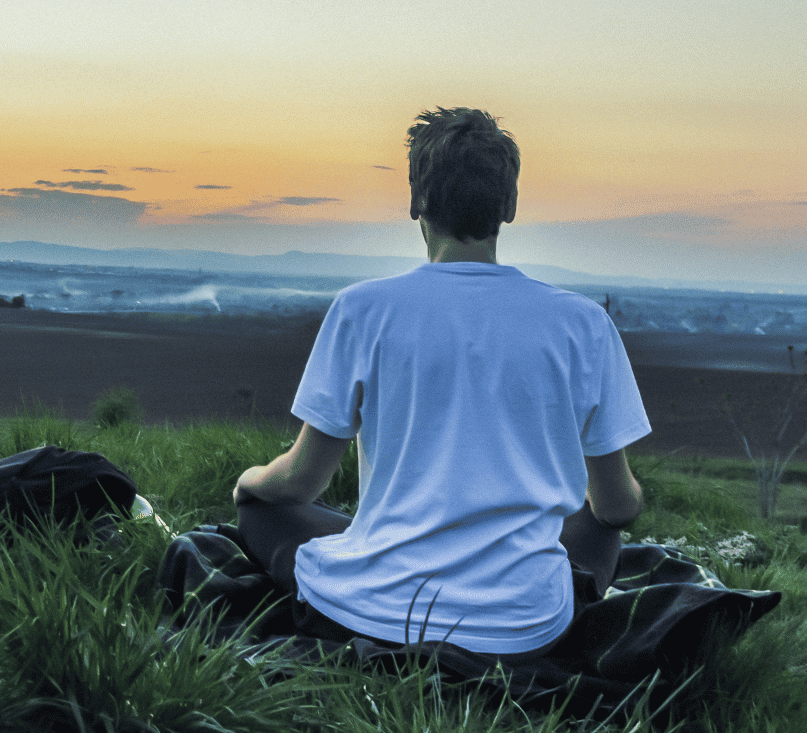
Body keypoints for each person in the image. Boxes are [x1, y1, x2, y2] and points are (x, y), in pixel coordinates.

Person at [232, 107, 651, 663]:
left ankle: (378, 556)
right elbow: (619, 507)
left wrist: (249, 481)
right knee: (597, 524)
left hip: (371, 613)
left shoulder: (362, 309)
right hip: (522, 632)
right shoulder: (583, 325)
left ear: (415, 203)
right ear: (510, 206)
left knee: (261, 510)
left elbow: (299, 484)